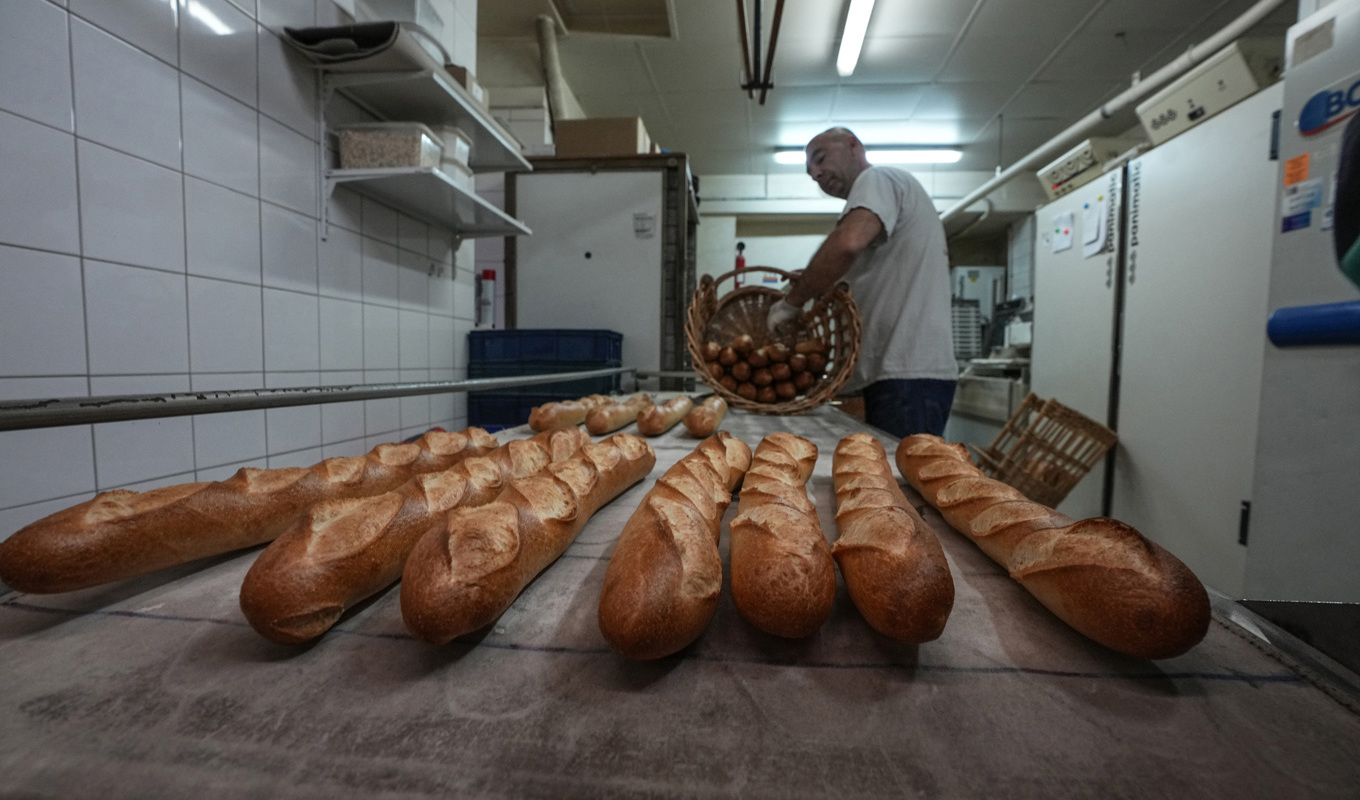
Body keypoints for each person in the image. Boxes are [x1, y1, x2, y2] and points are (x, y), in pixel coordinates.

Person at [767, 127, 957, 438]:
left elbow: (847, 244)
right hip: (897, 376)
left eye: (820, 158)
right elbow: (861, 268)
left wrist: (792, 302)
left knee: (897, 482)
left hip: (907, 375)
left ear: (853, 145)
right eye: (809, 171)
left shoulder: (877, 179)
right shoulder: (879, 201)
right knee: (885, 481)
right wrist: (821, 280)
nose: (815, 173)